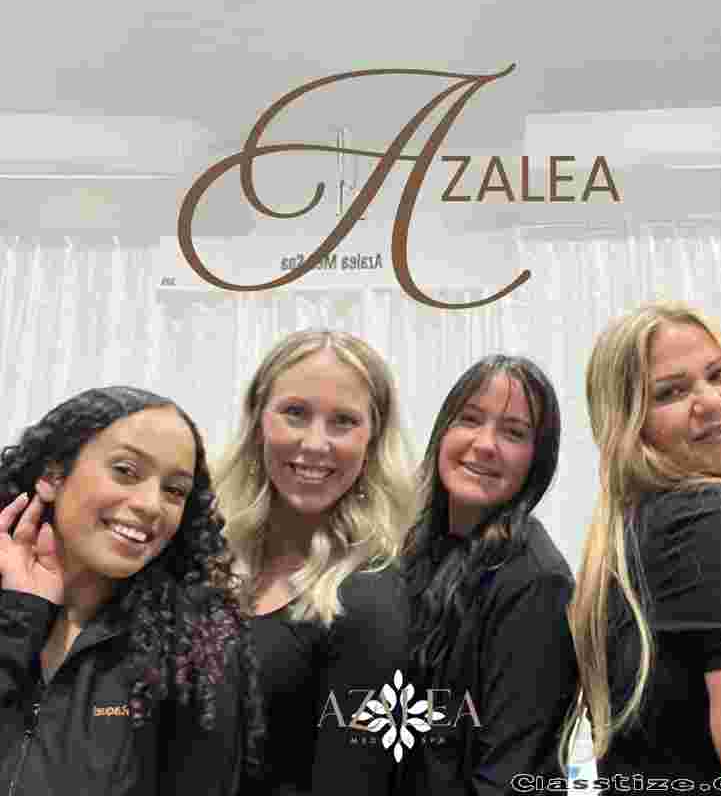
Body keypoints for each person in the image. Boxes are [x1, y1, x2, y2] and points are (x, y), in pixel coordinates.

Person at [566, 301, 721, 788]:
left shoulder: (636, 535)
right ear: (631, 427)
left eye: (719, 374)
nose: (711, 401)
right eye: (670, 393)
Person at [0, 386, 264, 796]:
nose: (151, 505)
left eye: (174, 490)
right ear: (53, 476)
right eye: (125, 470)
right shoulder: (12, 615)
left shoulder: (192, 652)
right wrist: (20, 616)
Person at [213, 330, 418, 796]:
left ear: (372, 440)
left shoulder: (370, 600)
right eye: (295, 413)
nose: (315, 443)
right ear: (257, 420)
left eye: (343, 421)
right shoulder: (209, 556)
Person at [400, 354, 577, 794]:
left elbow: (511, 778)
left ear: (537, 461)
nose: (484, 444)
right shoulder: (413, 549)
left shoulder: (536, 582)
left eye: (513, 432)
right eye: (470, 419)